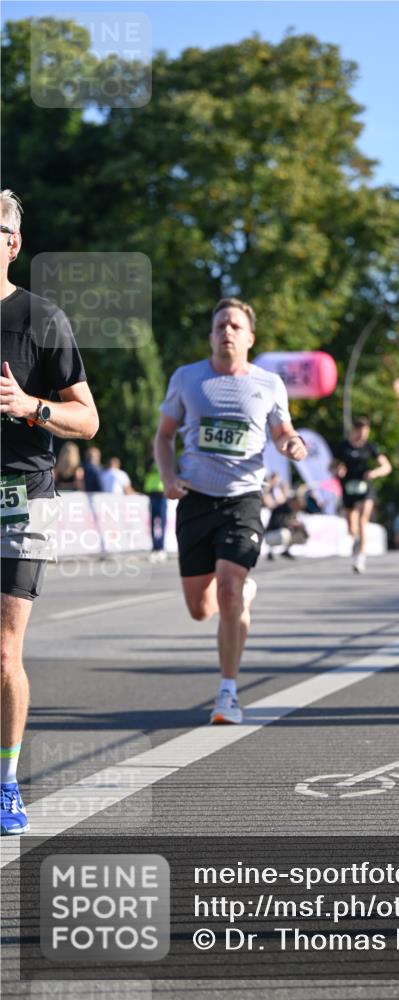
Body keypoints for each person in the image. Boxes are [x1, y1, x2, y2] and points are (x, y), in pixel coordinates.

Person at [154, 296, 307, 725]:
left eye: (236, 326)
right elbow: (164, 436)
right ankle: (241, 594)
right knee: (201, 609)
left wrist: (291, 444)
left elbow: (282, 431)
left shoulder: (269, 384)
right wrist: (169, 478)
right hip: (196, 499)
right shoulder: (187, 379)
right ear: (211, 335)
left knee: (228, 588)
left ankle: (227, 694)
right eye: (220, 324)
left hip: (243, 499)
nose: (227, 332)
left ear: (250, 337)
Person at [0, 189, 99, 835]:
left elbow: (87, 420)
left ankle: (5, 783)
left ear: (11, 242)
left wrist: (28, 406)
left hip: (16, 495)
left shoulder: (42, 318)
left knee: (3, 652)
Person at [331, 417, 392, 573]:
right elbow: (330, 467)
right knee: (352, 527)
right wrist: (338, 470)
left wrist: (374, 473)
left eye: (365, 432)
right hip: (348, 488)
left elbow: (386, 467)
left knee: (362, 521)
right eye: (359, 431)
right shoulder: (343, 447)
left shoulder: (370, 447)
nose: (362, 435)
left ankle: (360, 558)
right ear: (354, 430)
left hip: (365, 488)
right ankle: (356, 540)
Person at [143, 456, 167, 563]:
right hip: (152, 494)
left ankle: (161, 547)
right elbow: (147, 471)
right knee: (153, 523)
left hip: (162, 494)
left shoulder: (164, 460)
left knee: (161, 524)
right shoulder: (150, 461)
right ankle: (155, 548)